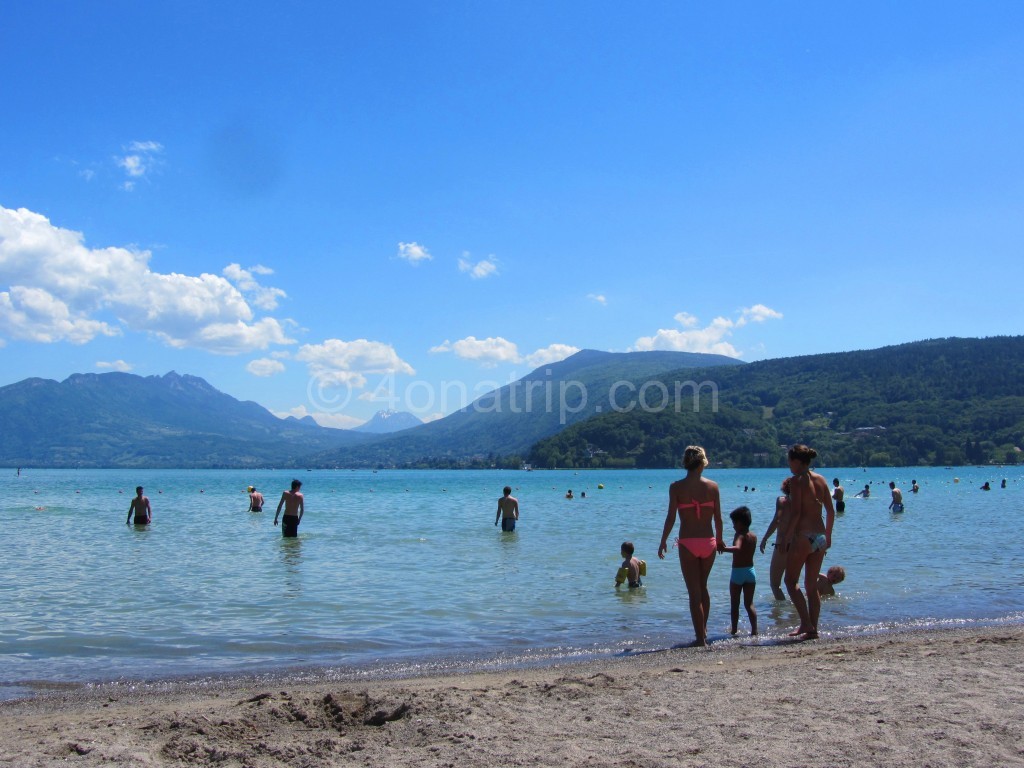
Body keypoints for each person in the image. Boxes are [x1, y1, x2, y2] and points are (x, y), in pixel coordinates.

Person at [658, 445, 724, 647]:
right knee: (703, 587)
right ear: (703, 463)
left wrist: (663, 541)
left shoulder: (676, 487)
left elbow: (671, 518)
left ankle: (700, 638)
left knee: (694, 592)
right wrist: (720, 540)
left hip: (687, 542)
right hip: (709, 541)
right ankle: (703, 630)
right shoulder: (713, 487)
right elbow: (718, 519)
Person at [782, 444, 836, 640]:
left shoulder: (796, 481)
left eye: (789, 460)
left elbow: (796, 513)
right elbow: (830, 511)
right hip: (820, 537)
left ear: (797, 461)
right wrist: (828, 536)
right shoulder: (821, 479)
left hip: (804, 536)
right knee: (811, 585)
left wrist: (787, 537)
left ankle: (805, 622)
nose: (788, 464)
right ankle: (813, 628)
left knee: (790, 581)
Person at [723, 506, 758, 636]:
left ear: (740, 523)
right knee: (749, 604)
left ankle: (734, 630)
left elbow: (737, 548)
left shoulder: (739, 535)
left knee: (734, 604)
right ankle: (754, 630)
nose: (733, 526)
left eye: (734, 523)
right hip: (751, 572)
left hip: (737, 572)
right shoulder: (753, 536)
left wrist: (723, 548)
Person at [759, 478, 794, 600]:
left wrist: (765, 538)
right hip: (798, 545)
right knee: (793, 583)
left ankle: (780, 613)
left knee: (775, 584)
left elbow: (777, 520)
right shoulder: (802, 504)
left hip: (783, 545)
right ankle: (795, 612)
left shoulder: (782, 501)